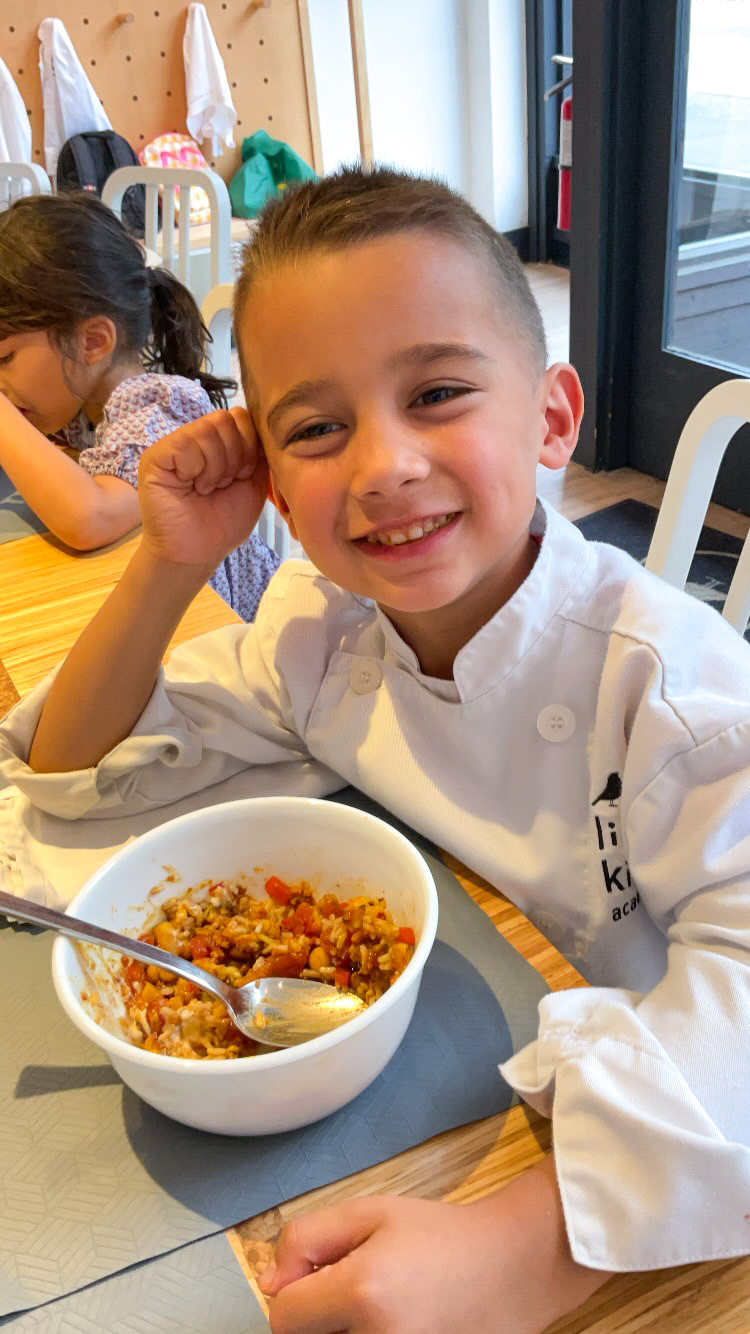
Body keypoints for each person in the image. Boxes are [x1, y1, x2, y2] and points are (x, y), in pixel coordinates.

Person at [2, 166, 749, 1333]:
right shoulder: (319, 628)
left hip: (670, 1152)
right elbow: (72, 763)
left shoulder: (676, 690)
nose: (381, 464)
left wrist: (529, 1251)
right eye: (316, 427)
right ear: (279, 492)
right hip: (461, 1085)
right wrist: (171, 562)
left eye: (439, 391)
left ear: (554, 416)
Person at [0, 192, 278, 622]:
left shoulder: (155, 415)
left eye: (5, 358)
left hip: (239, 642)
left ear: (93, 341)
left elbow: (89, 518)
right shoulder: (81, 406)